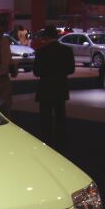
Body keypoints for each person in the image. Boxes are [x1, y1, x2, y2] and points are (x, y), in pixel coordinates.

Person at [33, 25, 75, 155]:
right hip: (60, 87)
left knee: (45, 120)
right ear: (57, 36)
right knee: (60, 118)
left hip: (45, 88)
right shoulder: (67, 50)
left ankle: (46, 145)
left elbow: (36, 72)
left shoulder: (41, 51)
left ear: (45, 36)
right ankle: (61, 146)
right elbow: (71, 69)